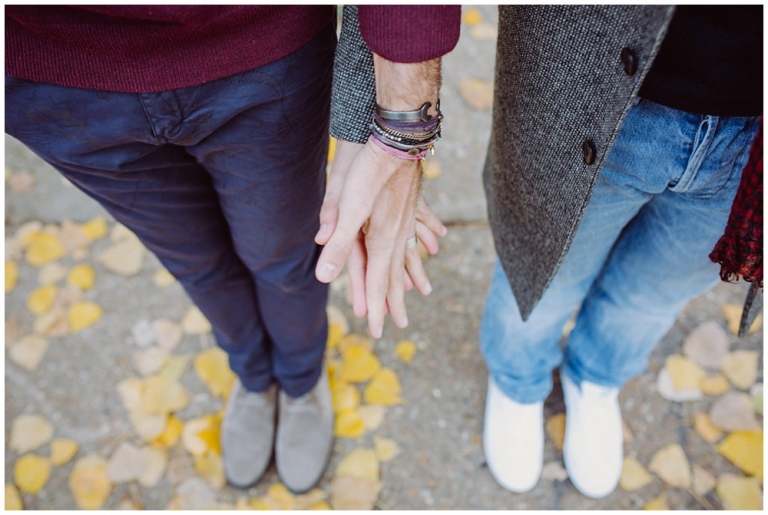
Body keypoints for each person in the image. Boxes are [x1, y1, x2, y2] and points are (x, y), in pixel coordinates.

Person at [4, 5, 460, 493]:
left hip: (255, 47)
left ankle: (301, 381)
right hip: (50, 81)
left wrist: (404, 121)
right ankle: (254, 376)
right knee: (196, 264)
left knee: (284, 259)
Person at [319, 5, 762, 499]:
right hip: (591, 88)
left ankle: (596, 377)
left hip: (754, 152)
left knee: (654, 294)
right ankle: (518, 379)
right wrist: (387, 124)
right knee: (542, 273)